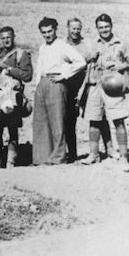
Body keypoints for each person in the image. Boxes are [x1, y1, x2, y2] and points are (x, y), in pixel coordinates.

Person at [80, 14, 129, 172]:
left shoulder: (121, 43)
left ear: (111, 26)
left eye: (106, 27)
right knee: (93, 119)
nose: (104, 30)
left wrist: (123, 66)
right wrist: (89, 58)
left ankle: (124, 157)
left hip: (114, 85)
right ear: (97, 28)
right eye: (101, 27)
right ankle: (93, 154)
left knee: (118, 120)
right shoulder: (92, 44)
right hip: (95, 83)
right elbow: (82, 60)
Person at [32, 17, 86, 165]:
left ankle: (58, 157)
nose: (47, 34)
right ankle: (42, 158)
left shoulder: (62, 46)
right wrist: (37, 85)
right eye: (44, 32)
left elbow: (80, 62)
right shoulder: (42, 47)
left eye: (50, 31)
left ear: (55, 30)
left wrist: (64, 75)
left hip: (56, 84)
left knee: (57, 122)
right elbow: (39, 68)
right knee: (41, 122)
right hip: (42, 84)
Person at [63, 18, 111, 163]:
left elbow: (94, 60)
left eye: (78, 28)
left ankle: (109, 149)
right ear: (68, 28)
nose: (76, 31)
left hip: (87, 85)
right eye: (73, 28)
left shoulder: (87, 44)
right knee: (70, 121)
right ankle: (72, 154)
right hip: (70, 87)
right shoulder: (63, 45)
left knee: (99, 117)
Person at [0, 27, 33, 168]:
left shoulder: (21, 54)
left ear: (13, 36)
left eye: (8, 37)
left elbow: (27, 75)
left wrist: (10, 71)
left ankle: (11, 159)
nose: (6, 40)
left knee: (12, 128)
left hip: (12, 95)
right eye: (3, 38)